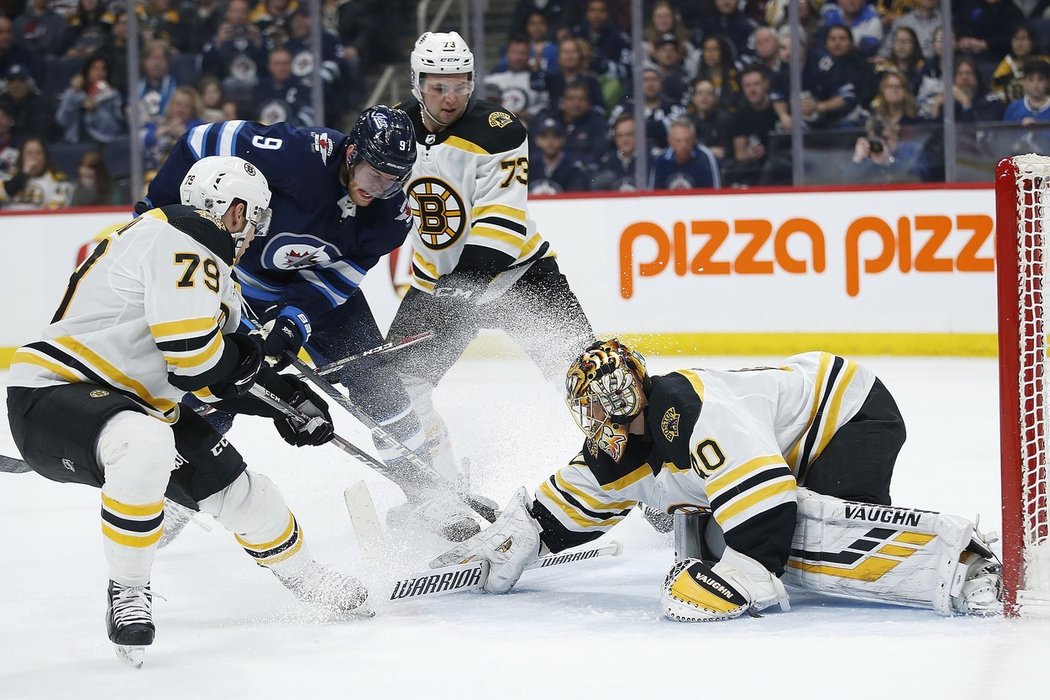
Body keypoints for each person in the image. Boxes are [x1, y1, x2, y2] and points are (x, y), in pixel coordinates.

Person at [6, 156, 367, 667]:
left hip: (136, 407)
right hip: (57, 391)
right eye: (254, 218)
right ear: (234, 209)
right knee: (146, 443)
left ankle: (307, 578)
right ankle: (128, 592)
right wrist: (250, 370)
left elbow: (213, 376)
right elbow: (195, 359)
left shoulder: (209, 270)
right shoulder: (184, 234)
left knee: (245, 495)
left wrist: (283, 401)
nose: (253, 235)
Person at [432, 339, 1004, 621]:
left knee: (813, 540)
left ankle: (966, 562)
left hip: (847, 411)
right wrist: (528, 531)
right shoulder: (622, 441)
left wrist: (746, 572)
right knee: (767, 532)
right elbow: (580, 496)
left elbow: (769, 505)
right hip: (803, 425)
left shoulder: (692, 412)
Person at [139, 108, 482, 542]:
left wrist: (293, 322)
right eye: (374, 173)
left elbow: (342, 275)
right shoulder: (296, 154)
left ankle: (426, 491)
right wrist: (155, 209)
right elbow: (201, 140)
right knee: (216, 389)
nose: (381, 188)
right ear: (351, 151)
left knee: (377, 384)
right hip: (239, 282)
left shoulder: (394, 210)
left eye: (393, 178)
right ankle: (179, 495)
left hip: (316, 292)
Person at [390, 30, 594, 516]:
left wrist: (462, 288)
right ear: (418, 84)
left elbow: (500, 222)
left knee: (591, 375)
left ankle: (649, 473)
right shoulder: (393, 128)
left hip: (520, 276)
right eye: (438, 86)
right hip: (436, 285)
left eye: (460, 85)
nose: (450, 97)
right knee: (396, 388)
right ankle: (439, 494)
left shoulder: (499, 130)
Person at [54, 53, 125, 145]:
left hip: (102, 143)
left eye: (103, 69)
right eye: (95, 69)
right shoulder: (74, 93)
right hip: (74, 142)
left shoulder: (112, 95)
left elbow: (113, 128)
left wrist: (95, 111)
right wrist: (73, 94)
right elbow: (62, 120)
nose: (99, 73)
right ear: (87, 72)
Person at [0, 137, 73, 210]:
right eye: (29, 153)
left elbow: (56, 211)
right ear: (21, 157)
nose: (34, 157)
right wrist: (23, 175)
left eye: (39, 153)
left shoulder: (59, 180)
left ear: (45, 157)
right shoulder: (8, 176)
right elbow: (2, 194)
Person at [650, 118, 721, 190]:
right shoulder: (661, 161)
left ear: (694, 139)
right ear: (670, 141)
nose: (683, 145)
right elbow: (653, 194)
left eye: (687, 140)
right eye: (678, 141)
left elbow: (714, 193)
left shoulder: (705, 157)